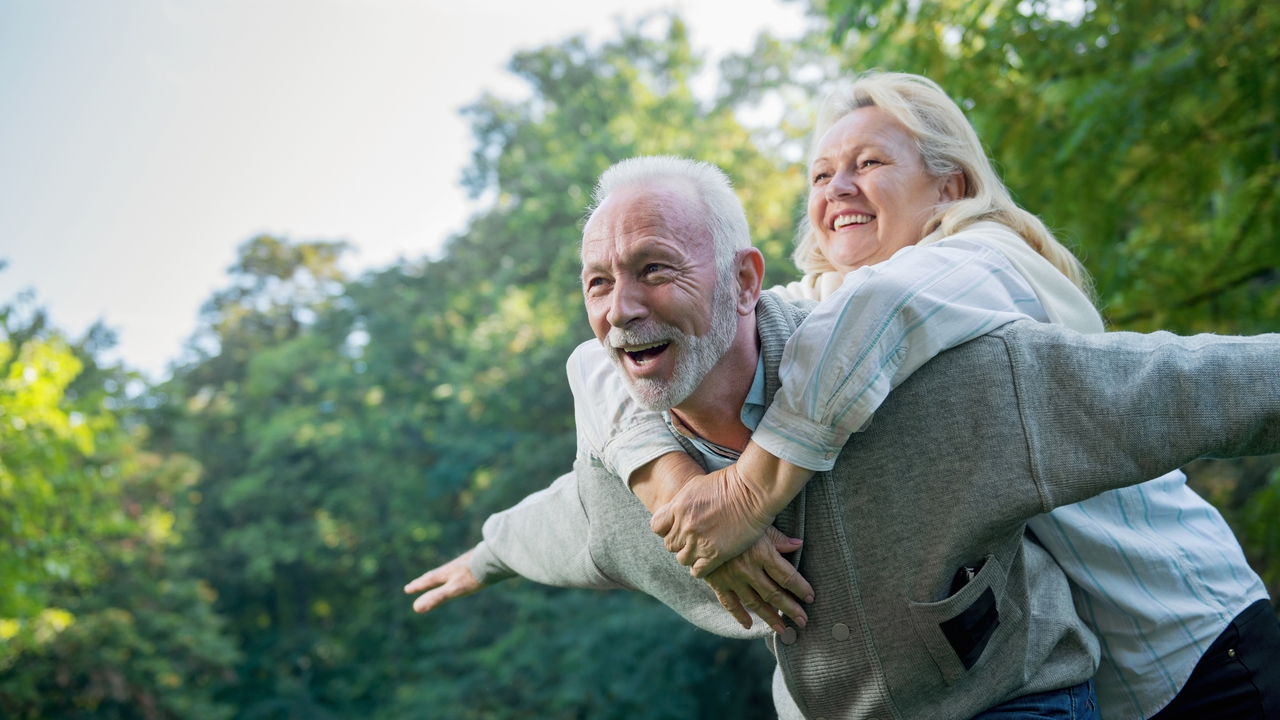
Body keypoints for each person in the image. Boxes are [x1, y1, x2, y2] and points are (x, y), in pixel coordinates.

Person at [406, 155, 1280, 720]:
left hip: (1015, 702)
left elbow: (1173, 387)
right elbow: (564, 524)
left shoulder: (935, 379)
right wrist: (487, 553)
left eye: (654, 268)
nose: (620, 310)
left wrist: (749, 494)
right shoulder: (627, 483)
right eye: (598, 283)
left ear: (747, 281)